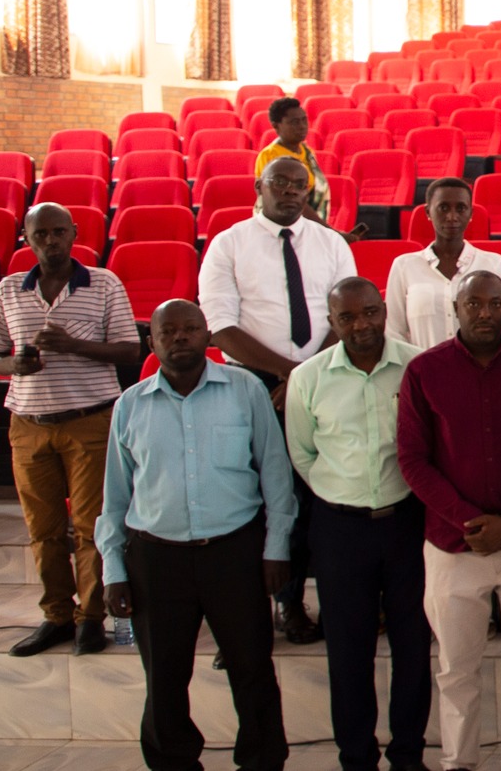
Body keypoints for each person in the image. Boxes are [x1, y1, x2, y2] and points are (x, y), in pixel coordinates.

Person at [98, 299, 295, 771]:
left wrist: (276, 550)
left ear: (208, 336)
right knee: (164, 677)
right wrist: (113, 569)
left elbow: (276, 476)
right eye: (169, 331)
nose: (180, 337)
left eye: (191, 328)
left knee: (252, 671)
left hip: (235, 553)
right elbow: (114, 498)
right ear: (153, 342)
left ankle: (262, 761)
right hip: (155, 560)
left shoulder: (245, 390)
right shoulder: (130, 405)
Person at [396, 270, 501, 771]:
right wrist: (471, 521)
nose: (485, 313)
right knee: (456, 667)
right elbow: (412, 459)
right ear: (456, 308)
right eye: (475, 304)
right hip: (453, 545)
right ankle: (459, 760)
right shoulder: (424, 372)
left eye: (495, 304)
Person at [198, 153, 358, 644]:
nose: (290, 191)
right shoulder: (228, 245)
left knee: (322, 496)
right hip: (253, 385)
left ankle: (319, 601)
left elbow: (348, 316)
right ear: (259, 186)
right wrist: (289, 374)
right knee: (260, 498)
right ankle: (269, 609)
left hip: (324, 381)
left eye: (298, 186)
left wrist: (306, 377)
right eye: (280, 183)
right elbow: (221, 326)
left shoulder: (330, 243)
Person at [284, 277, 430, 771]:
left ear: (383, 310)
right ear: (332, 323)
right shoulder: (308, 377)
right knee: (348, 651)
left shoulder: (416, 365)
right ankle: (356, 758)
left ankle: (408, 755)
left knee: (411, 646)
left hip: (407, 521)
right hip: (339, 529)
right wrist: (344, 495)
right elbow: (304, 454)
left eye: (369, 312)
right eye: (347, 318)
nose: (361, 324)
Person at [0, 201, 142, 657]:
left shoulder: (103, 283)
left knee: (90, 527)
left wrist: (71, 345)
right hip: (28, 423)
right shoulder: (7, 290)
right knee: (42, 529)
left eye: (59, 232)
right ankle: (56, 616)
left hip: (90, 421)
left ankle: (90, 619)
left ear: (75, 233)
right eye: (41, 234)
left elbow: (129, 351)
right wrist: (12, 364)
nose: (51, 241)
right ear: (26, 237)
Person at [385, 176, 501, 349]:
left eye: (461, 208)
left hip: (478, 372)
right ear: (427, 212)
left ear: (471, 214)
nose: (452, 216)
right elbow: (395, 332)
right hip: (422, 372)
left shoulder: (493, 264)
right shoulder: (404, 266)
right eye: (443, 208)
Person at [256, 95, 368, 240]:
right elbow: (294, 202)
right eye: (294, 122)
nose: (302, 126)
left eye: (304, 120)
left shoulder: (307, 152)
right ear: (276, 126)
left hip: (307, 228)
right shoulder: (271, 156)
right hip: (282, 230)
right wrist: (331, 233)